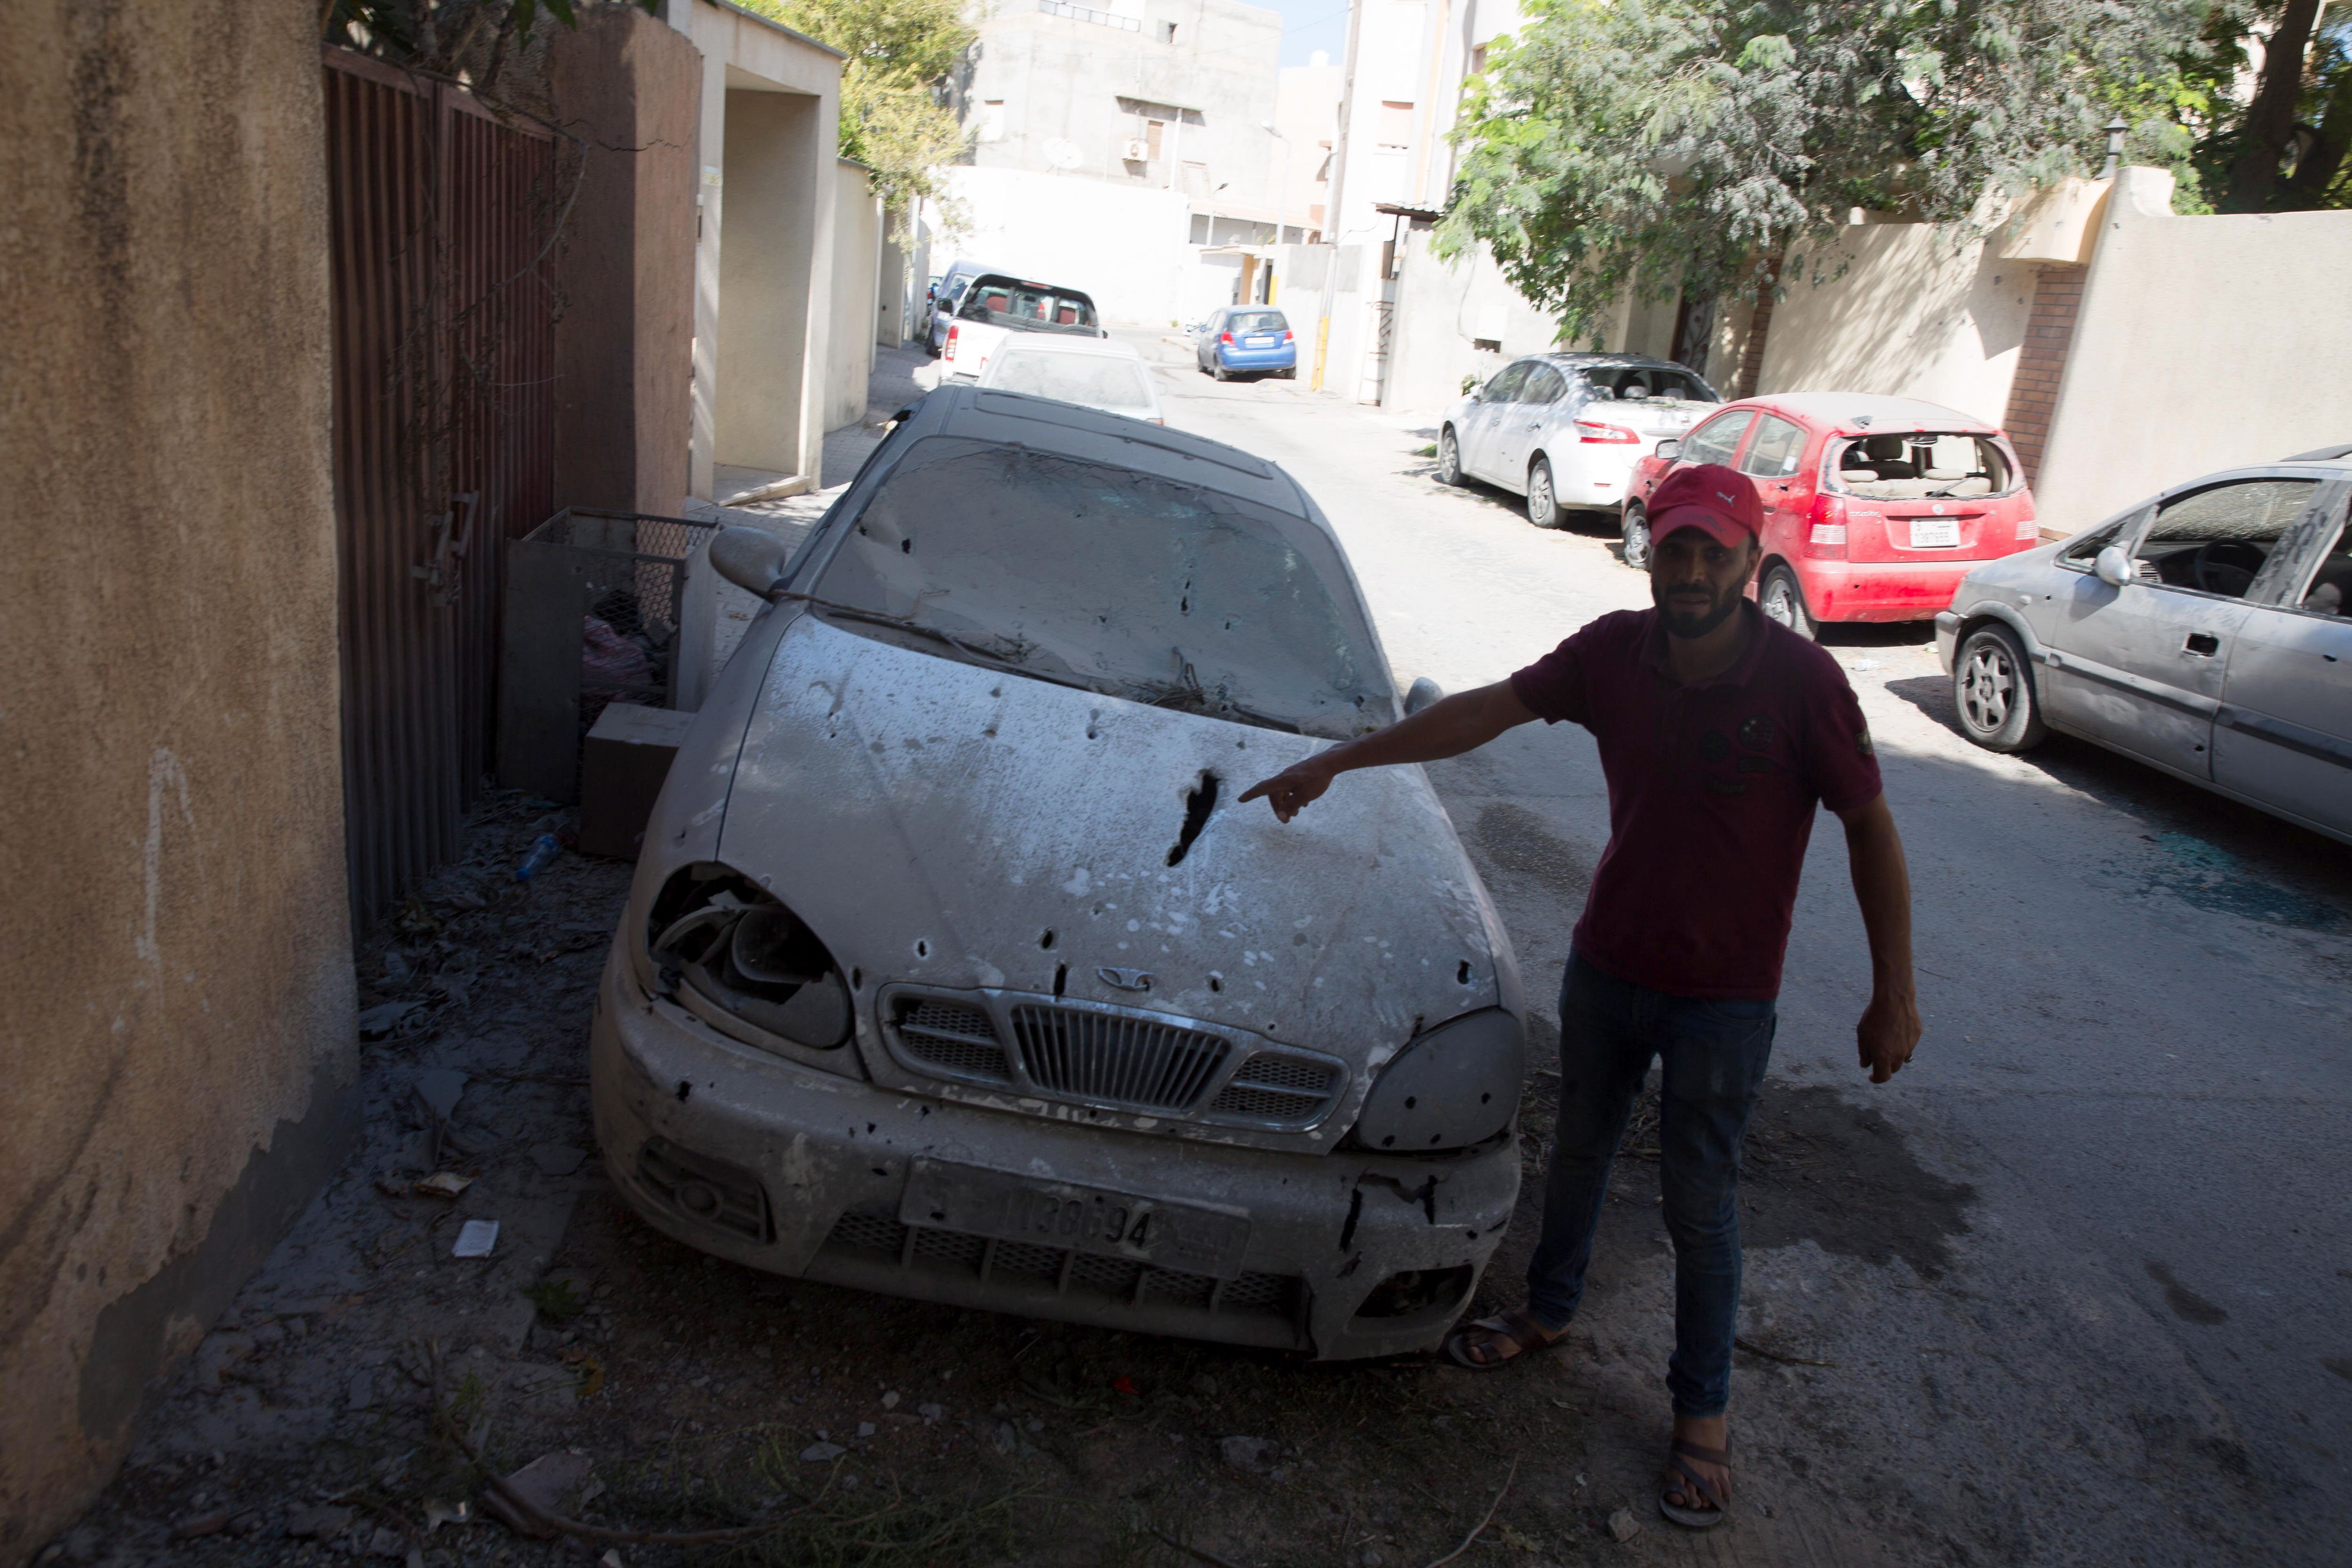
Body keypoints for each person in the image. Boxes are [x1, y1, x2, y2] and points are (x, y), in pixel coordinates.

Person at [1238, 463, 1921, 1530]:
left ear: (1750, 560)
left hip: (1723, 1000)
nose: (1690, 569)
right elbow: (1481, 714)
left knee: (1701, 1206)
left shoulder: (1802, 686)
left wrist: (1895, 993)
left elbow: (1870, 829)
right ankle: (1549, 1309)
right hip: (1609, 964)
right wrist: (1340, 761)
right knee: (1579, 1150)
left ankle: (1702, 1412)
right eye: (1675, 548)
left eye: (1714, 551)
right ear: (1651, 552)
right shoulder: (1613, 652)